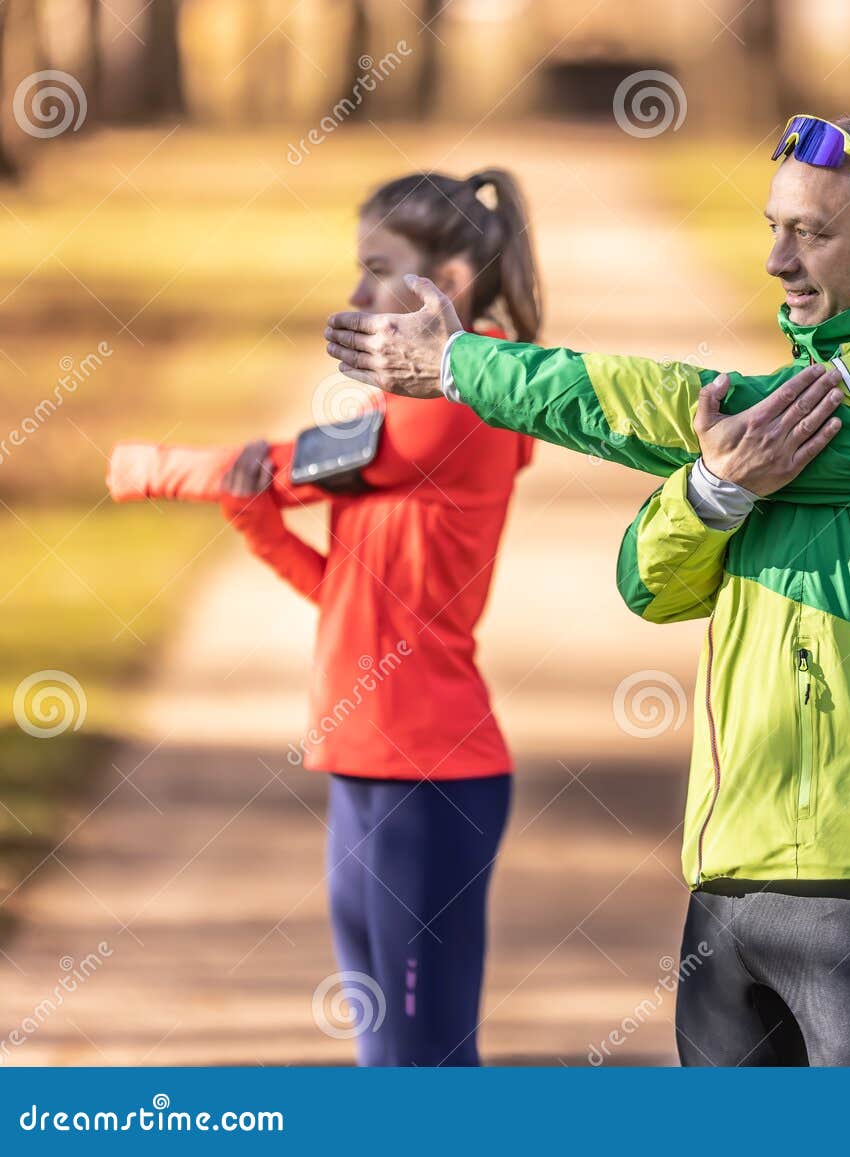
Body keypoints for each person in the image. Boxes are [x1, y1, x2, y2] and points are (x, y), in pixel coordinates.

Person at [325, 114, 850, 1065]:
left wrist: (461, 364)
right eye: (772, 227)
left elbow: (673, 399)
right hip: (726, 877)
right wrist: (712, 489)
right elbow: (646, 582)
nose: (778, 259)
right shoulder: (769, 440)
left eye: (810, 231)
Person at [106, 170, 542, 1066]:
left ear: (450, 281)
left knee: (427, 1060)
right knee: (382, 1056)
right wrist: (248, 517)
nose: (354, 295)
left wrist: (153, 466)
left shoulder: (460, 402)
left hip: (432, 776)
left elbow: (290, 463)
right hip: (365, 765)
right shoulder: (408, 409)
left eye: (380, 269)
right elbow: (347, 591)